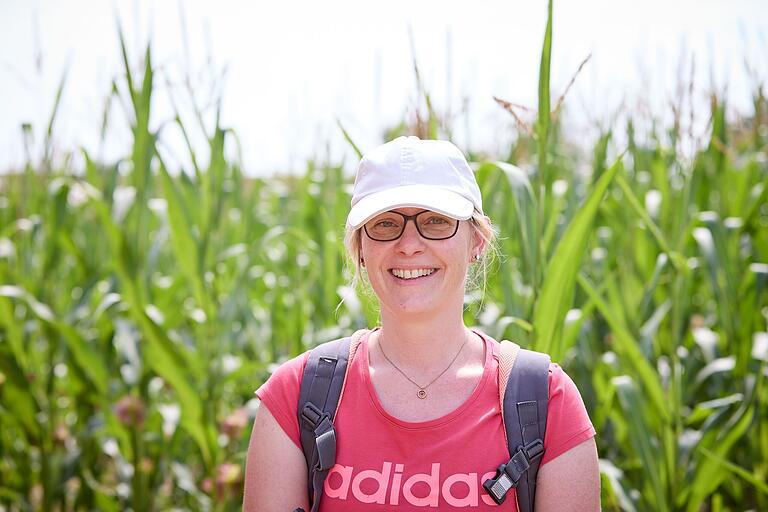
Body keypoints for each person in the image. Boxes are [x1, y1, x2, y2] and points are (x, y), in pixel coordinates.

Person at [243, 136, 600, 511]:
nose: (409, 244)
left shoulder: (548, 401)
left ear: (476, 240)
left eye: (435, 221)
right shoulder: (295, 396)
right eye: (385, 223)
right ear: (361, 249)